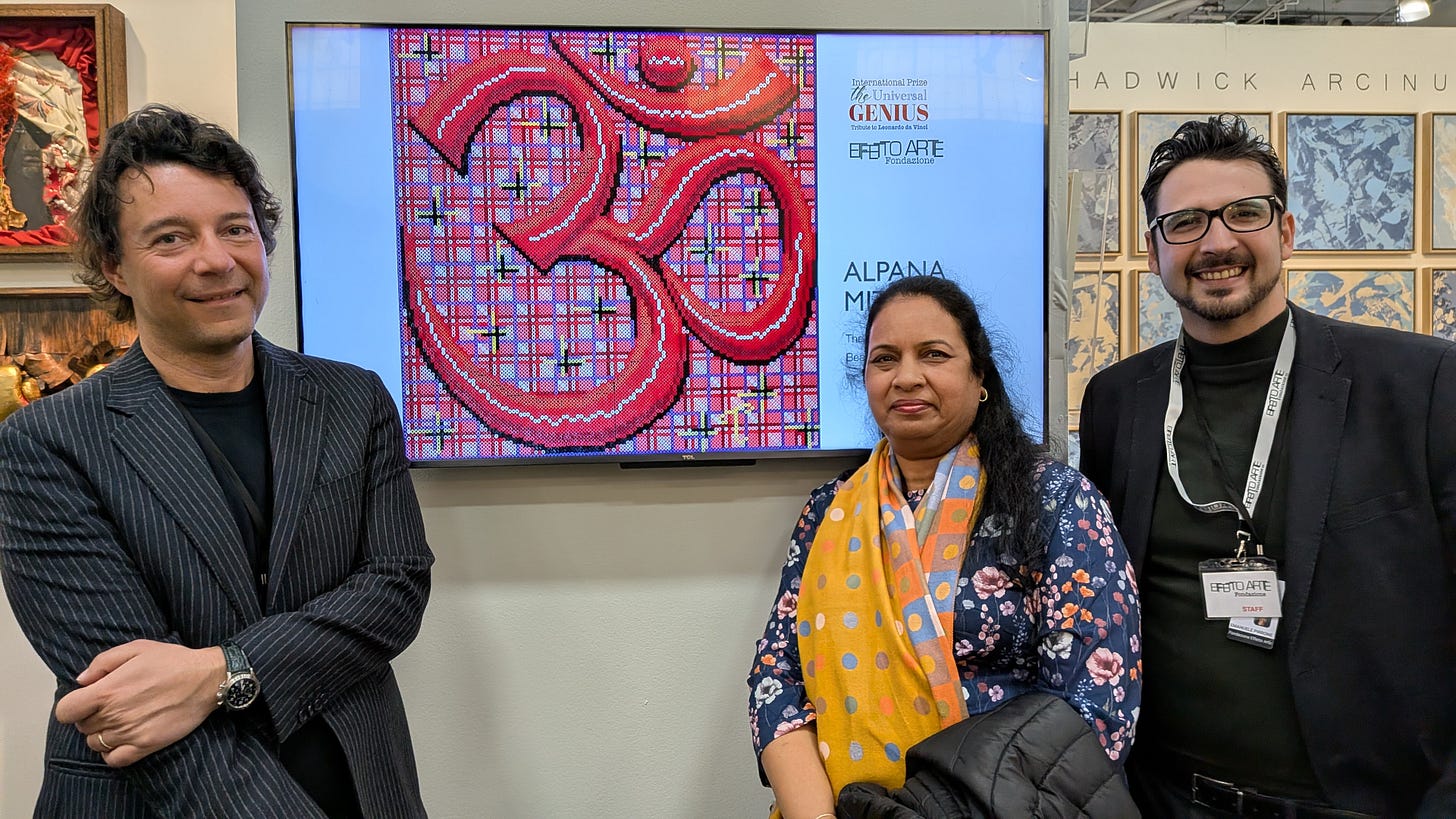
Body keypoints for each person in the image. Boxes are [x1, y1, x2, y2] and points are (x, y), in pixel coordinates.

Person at [0, 105, 434, 818]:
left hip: (360, 786)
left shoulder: (354, 400)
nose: (216, 259)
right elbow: (129, 703)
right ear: (115, 265)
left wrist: (222, 670)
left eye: (234, 228)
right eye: (171, 238)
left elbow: (393, 589)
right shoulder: (48, 442)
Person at [1079, 114, 1456, 817]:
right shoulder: (1117, 401)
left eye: (1244, 214)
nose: (1217, 242)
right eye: (1185, 222)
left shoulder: (1420, 385)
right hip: (1163, 797)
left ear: (1285, 232)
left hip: (1362, 802)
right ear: (1154, 249)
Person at [748, 275, 1141, 819]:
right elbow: (777, 678)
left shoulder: (1054, 500)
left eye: (933, 354)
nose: (906, 377)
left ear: (980, 376)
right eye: (885, 359)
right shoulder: (828, 511)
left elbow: (1095, 703)